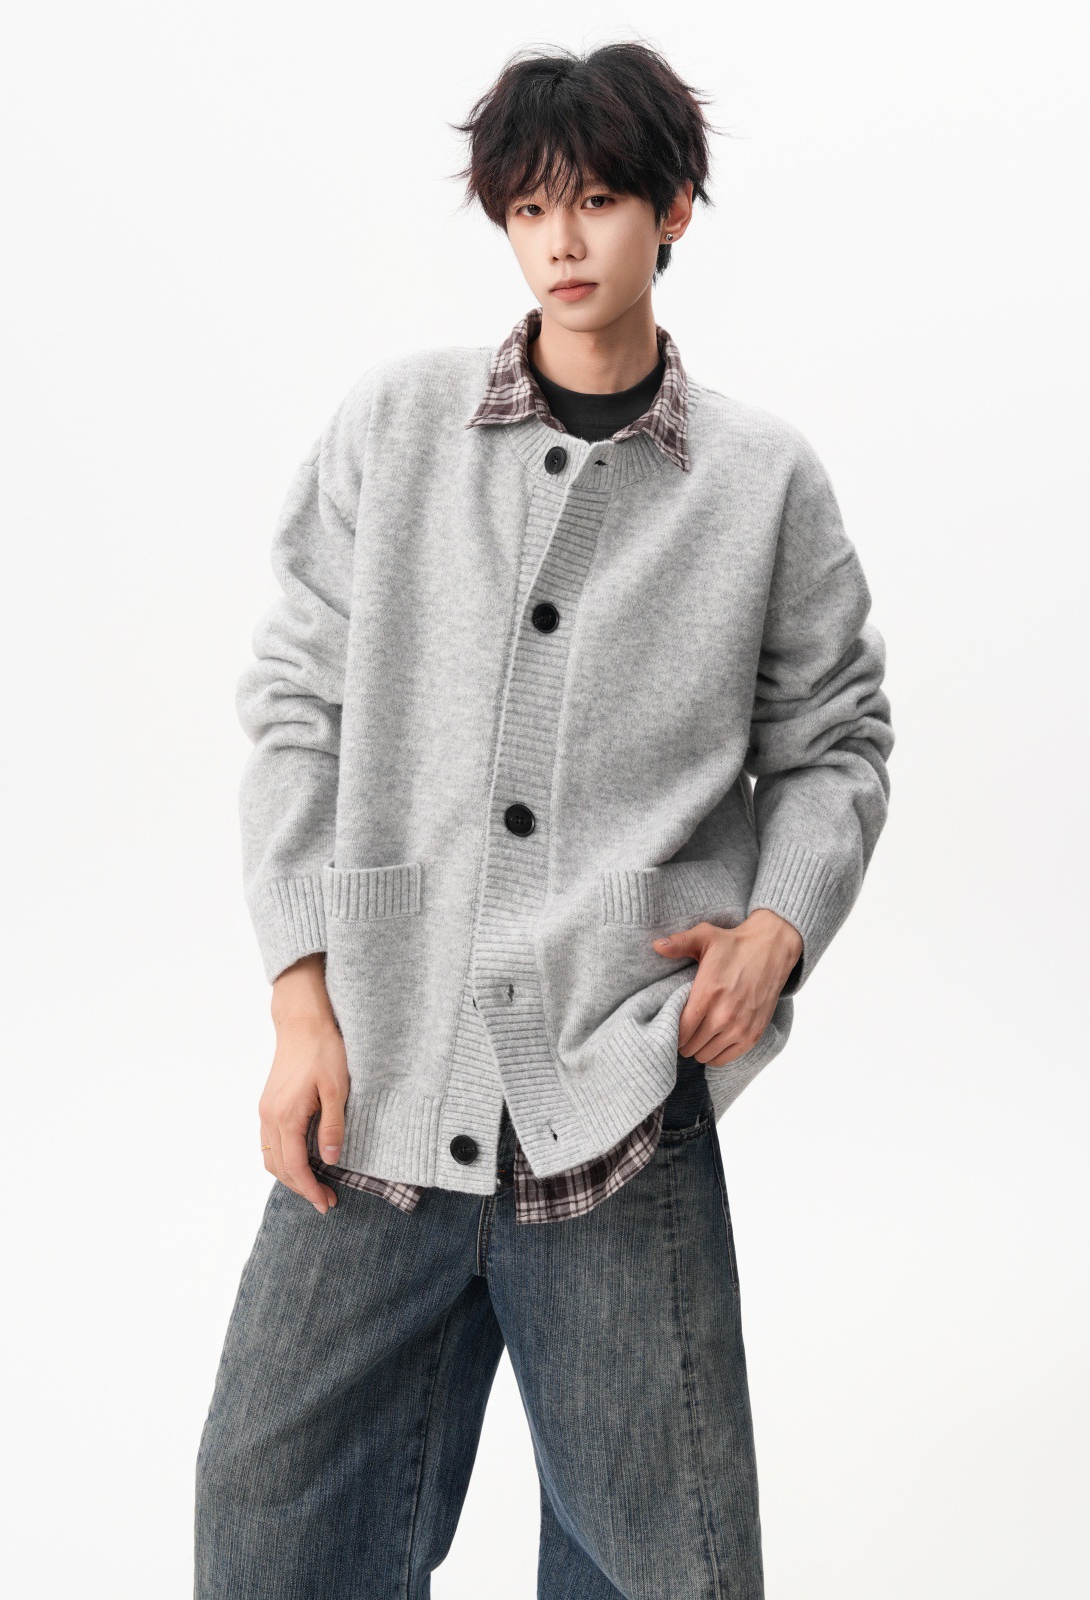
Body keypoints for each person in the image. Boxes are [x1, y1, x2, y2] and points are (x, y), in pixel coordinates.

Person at [195, 39, 894, 1600]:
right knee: (267, 1521)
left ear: (675, 209)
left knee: (661, 1569)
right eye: (527, 209)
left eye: (596, 202)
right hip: (382, 1084)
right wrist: (301, 1006)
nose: (562, 243)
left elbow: (838, 739)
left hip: (617, 1094)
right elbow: (296, 706)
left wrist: (779, 926)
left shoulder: (761, 483)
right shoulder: (396, 427)